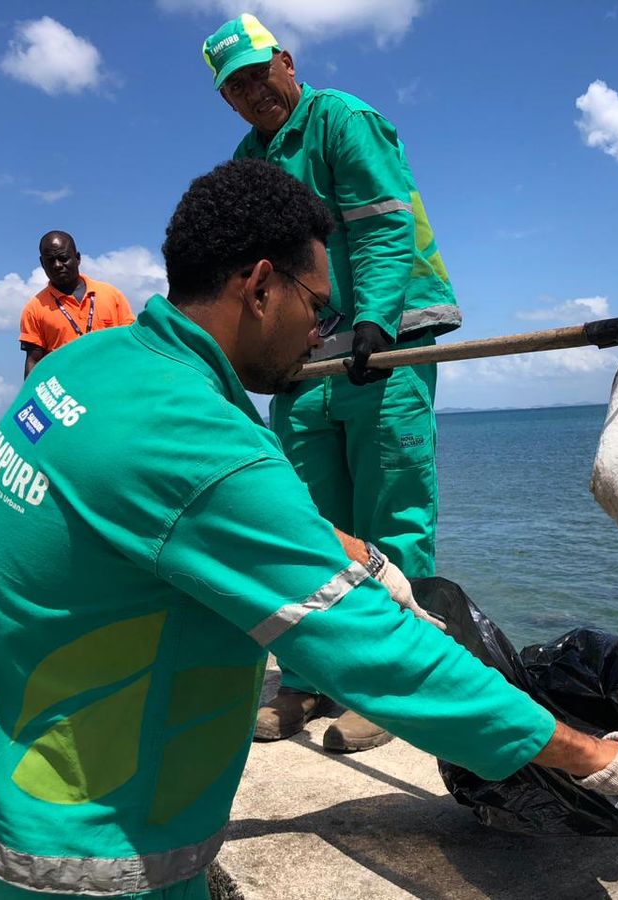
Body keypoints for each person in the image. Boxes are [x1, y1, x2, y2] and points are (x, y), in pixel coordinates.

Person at [0, 161, 618, 899]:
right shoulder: (201, 439)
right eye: (318, 306)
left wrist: (360, 558)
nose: (322, 333)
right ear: (259, 286)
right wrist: (601, 761)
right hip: (83, 845)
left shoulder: (88, 367)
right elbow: (374, 655)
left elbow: (168, 521)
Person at [203, 14, 461, 751]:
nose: (256, 93)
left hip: (388, 343)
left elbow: (384, 224)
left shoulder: (341, 119)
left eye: (260, 74)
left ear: (287, 61)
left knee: (393, 514)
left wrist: (376, 318)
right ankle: (312, 679)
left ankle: (394, 688)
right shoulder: (247, 161)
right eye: (238, 87)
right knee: (310, 525)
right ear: (227, 100)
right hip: (306, 360)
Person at [20, 230, 136, 377]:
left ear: (78, 258)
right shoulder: (34, 309)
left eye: (63, 258)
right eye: (50, 260)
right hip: (67, 394)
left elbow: (131, 343)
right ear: (42, 263)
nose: (57, 265)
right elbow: (33, 362)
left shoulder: (111, 295)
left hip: (111, 384)